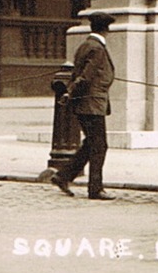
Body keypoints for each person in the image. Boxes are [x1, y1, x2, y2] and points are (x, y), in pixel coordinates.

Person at [50, 12, 118, 201]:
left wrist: (70, 93)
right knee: (99, 146)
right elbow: (86, 76)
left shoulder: (85, 45)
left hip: (88, 103)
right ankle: (95, 189)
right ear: (106, 30)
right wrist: (69, 92)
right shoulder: (97, 48)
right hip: (92, 103)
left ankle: (63, 176)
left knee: (91, 143)